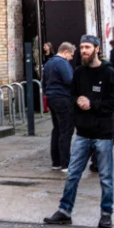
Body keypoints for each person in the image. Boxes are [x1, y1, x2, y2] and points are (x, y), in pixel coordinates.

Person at [43, 35, 114, 228]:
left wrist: (92, 104)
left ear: (97, 49)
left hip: (102, 134)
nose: (84, 51)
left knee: (105, 177)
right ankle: (65, 211)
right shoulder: (78, 73)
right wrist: (77, 102)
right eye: (82, 48)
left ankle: (106, 214)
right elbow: (72, 95)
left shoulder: (108, 72)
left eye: (87, 47)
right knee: (73, 174)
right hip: (83, 134)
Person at [43, 42, 76, 171]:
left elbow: (44, 82)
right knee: (66, 130)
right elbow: (69, 80)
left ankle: (56, 162)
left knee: (56, 129)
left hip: (51, 98)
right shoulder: (62, 62)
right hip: (63, 98)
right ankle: (65, 163)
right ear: (66, 52)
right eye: (71, 55)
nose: (72, 58)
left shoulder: (48, 63)